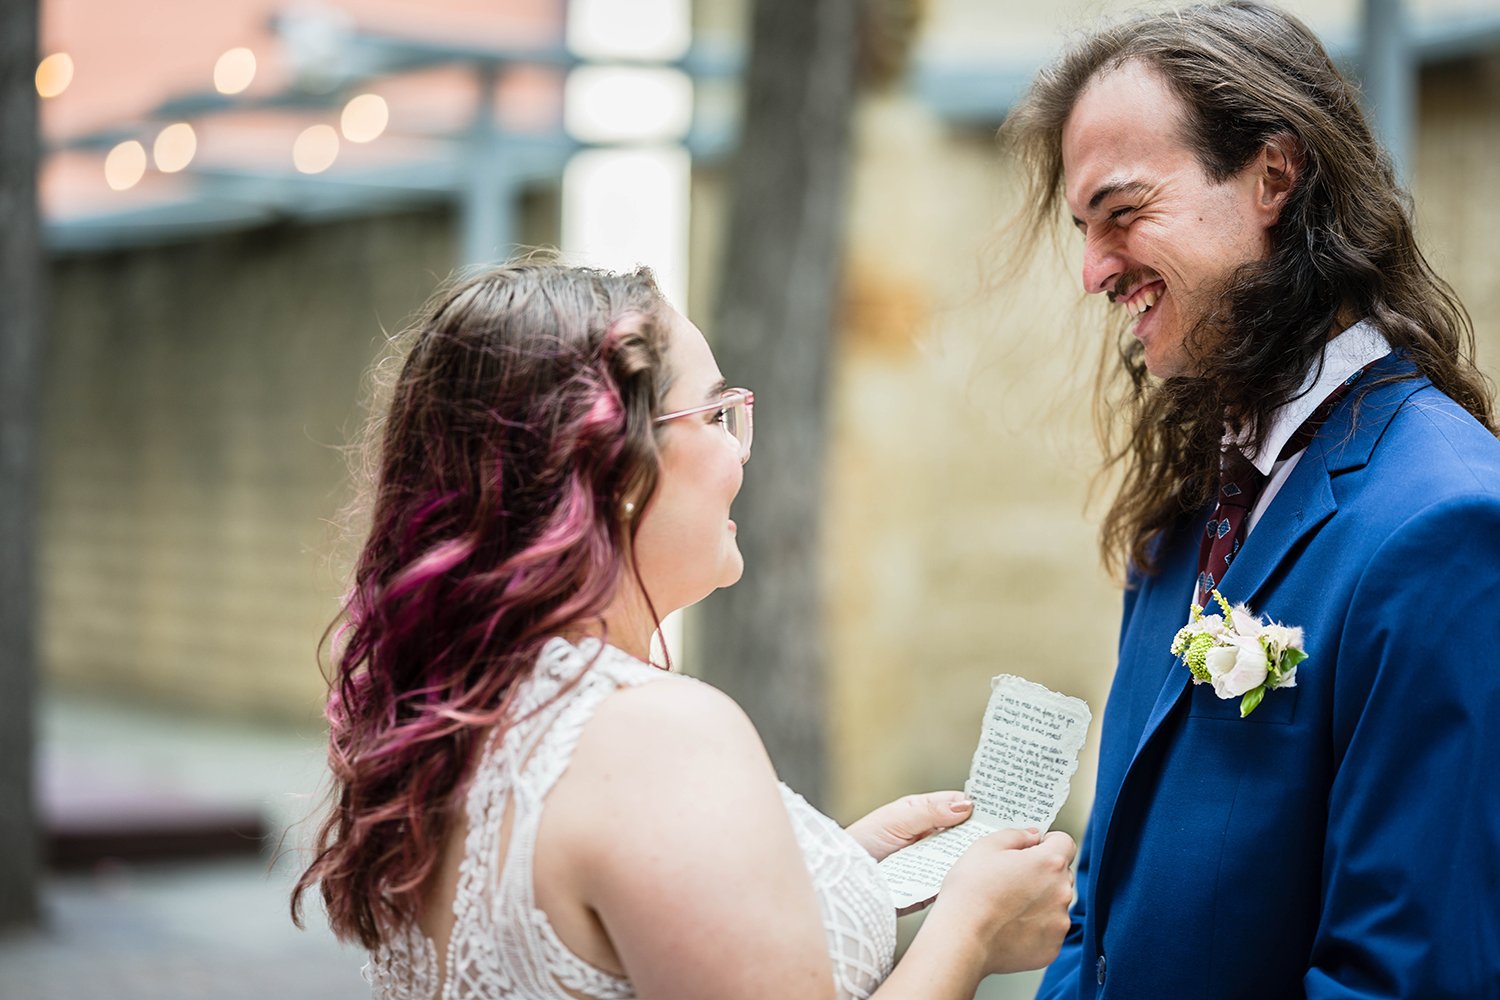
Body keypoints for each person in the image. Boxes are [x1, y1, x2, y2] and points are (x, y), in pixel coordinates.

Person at [290, 260, 1076, 999]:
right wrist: (971, 927)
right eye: (715, 414)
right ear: (613, 465)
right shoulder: (655, 737)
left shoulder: (455, 722)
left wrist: (839, 865)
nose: (739, 454)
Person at [996, 2, 1500, 997]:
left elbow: (1403, 975)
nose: (1095, 270)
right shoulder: (1187, 509)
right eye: (1084, 230)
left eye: (1124, 212)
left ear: (1274, 174)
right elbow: (1100, 905)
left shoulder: (1444, 522)